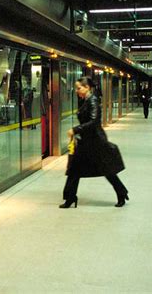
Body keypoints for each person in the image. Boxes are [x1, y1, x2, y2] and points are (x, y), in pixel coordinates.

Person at [60, 77, 129, 209]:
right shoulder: (85, 100)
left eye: (79, 88)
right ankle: (70, 198)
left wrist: (75, 130)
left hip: (95, 142)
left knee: (106, 170)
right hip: (85, 141)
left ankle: (121, 192)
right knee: (74, 170)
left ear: (87, 88)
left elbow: (94, 122)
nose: (76, 91)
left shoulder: (93, 101)